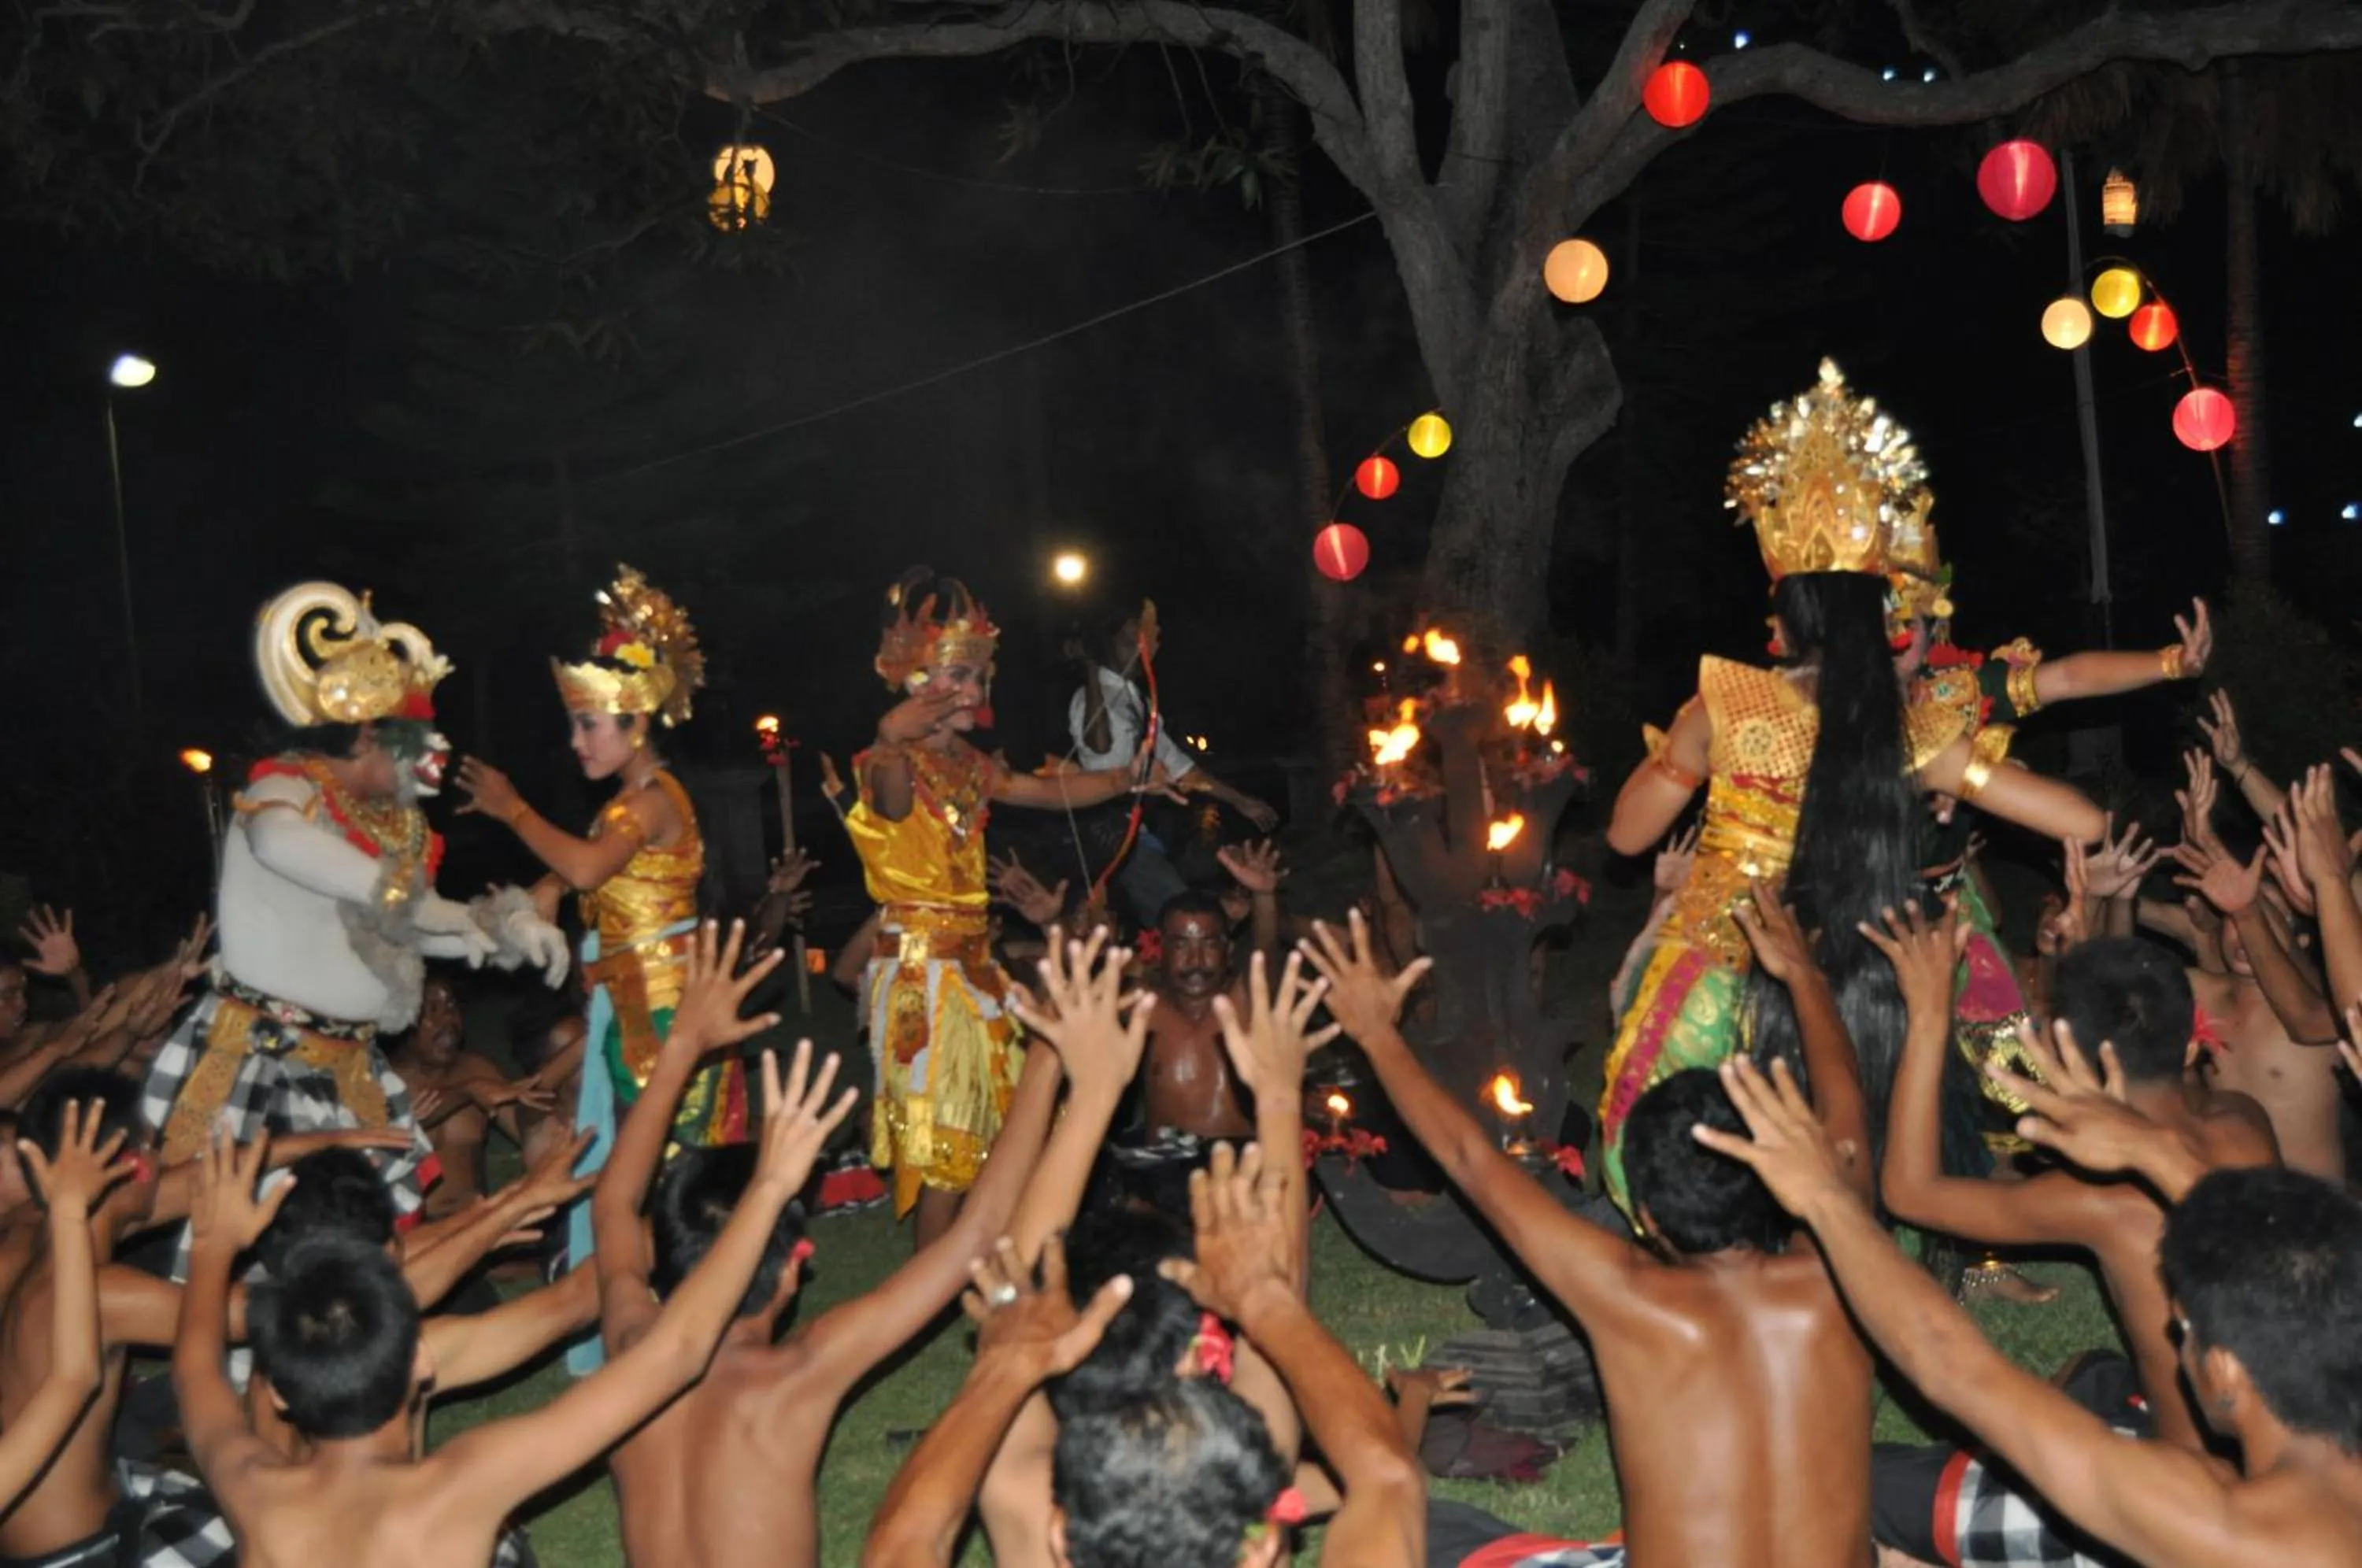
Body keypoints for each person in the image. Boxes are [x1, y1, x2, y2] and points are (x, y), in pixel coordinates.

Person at [1600, 360, 2104, 1211]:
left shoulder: (1725, 701)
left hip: (1713, 963)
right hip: (1843, 979)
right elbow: (2082, 821)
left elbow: (1624, 835)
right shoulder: (1911, 731)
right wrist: (1967, 777)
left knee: (1653, 1151)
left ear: (1788, 610)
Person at [170, 993, 850, 1568]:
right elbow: (676, 1352)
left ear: (280, 1388)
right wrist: (765, 1189)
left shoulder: (253, 1491)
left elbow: (196, 1370)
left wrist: (210, 1247)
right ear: (420, 1358)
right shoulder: (464, 1486)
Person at [1304, 902, 1876, 1568]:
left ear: (1647, 1215)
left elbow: (1471, 1161)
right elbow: (1845, 1110)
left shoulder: (1628, 1298)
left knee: (1438, 1528)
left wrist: (1377, 1035)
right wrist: (1805, 978)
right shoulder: (1842, 1272)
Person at [1700, 1052, 2362, 1568]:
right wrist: (2151, 1151)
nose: (2173, 1328)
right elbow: (2275, 1250)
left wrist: (1825, 1200)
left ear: (2225, 1371)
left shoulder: (2231, 1533)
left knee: (1843, 1494)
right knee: (2094, 1379)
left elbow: (1956, 1367)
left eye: (2183, 1328)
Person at [601, 919, 1061, 1568]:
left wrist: (682, 1046)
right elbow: (976, 1237)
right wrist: (1046, 1054)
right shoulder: (795, 1375)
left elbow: (615, 1205)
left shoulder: (629, 1349)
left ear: (664, 1249)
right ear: (794, 1266)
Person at [143, 582, 568, 1249]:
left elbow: (413, 927)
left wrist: (510, 930)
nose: (437, 750)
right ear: (370, 733)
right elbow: (281, 844)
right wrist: (438, 910)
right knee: (257, 1249)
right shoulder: (286, 786)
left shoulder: (381, 827)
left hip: (347, 1065)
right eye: (420, 735)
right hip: (266, 1058)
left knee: (366, 1249)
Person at [1868, 920, 2280, 1566]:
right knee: (2089, 1375)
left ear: (2070, 1064)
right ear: (2190, 1043)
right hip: (2247, 1438)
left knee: (1867, 1487)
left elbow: (1909, 1192)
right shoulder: (2243, 1119)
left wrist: (1927, 1015)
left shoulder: (2099, 1200)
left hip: (2177, 1511)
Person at [851, 568, 1176, 1247]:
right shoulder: (885, 763)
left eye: (979, 677)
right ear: (915, 681)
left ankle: (996, 1263)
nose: (975, 692)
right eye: (958, 677)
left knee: (1002, 1122)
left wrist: (1126, 777)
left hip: (973, 968)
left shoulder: (972, 767)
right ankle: (933, 1287)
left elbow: (1045, 791)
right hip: (919, 975)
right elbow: (893, 806)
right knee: (945, 1145)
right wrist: (888, 736)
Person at [454, 564, 724, 1364]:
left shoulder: (652, 800)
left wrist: (514, 811)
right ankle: (646, 1325)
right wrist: (526, 902)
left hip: (663, 1013)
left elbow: (585, 867)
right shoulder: (622, 806)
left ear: (637, 722)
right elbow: (573, 880)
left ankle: (679, 1331)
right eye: (574, 725)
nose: (576, 743)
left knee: (657, 1172)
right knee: (630, 1171)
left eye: (588, 725)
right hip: (633, 1009)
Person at [0, 1070, 233, 1568]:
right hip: (79, 1555)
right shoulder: (90, 1283)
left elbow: (73, 1380)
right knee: (267, 1522)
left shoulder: (27, 1237)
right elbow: (251, 1318)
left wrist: (319, 1142)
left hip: (91, 1514)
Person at [2171, 756, 2347, 1181]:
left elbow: (2308, 1017)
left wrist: (2249, 906)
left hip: (2316, 1208)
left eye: (2273, 913)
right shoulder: (2204, 989)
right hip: (2233, 1206)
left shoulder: (2325, 995)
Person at [1066, 605, 1279, 926]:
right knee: (1183, 916)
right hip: (1107, 834)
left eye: (1150, 638)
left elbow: (1181, 767)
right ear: (1108, 643)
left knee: (1165, 920)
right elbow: (1099, 746)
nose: (1144, 647)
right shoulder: (1091, 696)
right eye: (1132, 639)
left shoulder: (1138, 701)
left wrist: (1240, 800)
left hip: (1137, 834)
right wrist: (1091, 670)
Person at [1137, 843, 1285, 1149]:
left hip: (1240, 1164)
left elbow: (1265, 958)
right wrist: (1053, 925)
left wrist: (1264, 897)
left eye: (1209, 945)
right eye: (1182, 945)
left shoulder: (1241, 1003)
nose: (1196, 961)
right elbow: (1078, 985)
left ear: (1228, 951)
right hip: (1161, 1167)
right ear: (1161, 950)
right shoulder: (1143, 1006)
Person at [387, 977, 553, 1220]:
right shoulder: (384, 1079)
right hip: (414, 1231)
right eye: (431, 1010)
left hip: (477, 1221)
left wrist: (562, 1065)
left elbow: (530, 1133)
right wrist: (467, 1092)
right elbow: (396, 1132)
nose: (448, 1018)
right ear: (402, 1021)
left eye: (452, 1006)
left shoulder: (476, 1069)